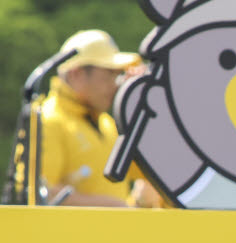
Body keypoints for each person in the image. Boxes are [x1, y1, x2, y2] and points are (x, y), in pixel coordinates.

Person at [40, 30, 160, 207]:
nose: (116, 83)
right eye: (109, 74)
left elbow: (125, 194)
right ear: (76, 74)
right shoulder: (48, 120)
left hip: (111, 234)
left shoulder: (107, 123)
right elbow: (41, 192)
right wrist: (116, 208)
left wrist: (137, 203)